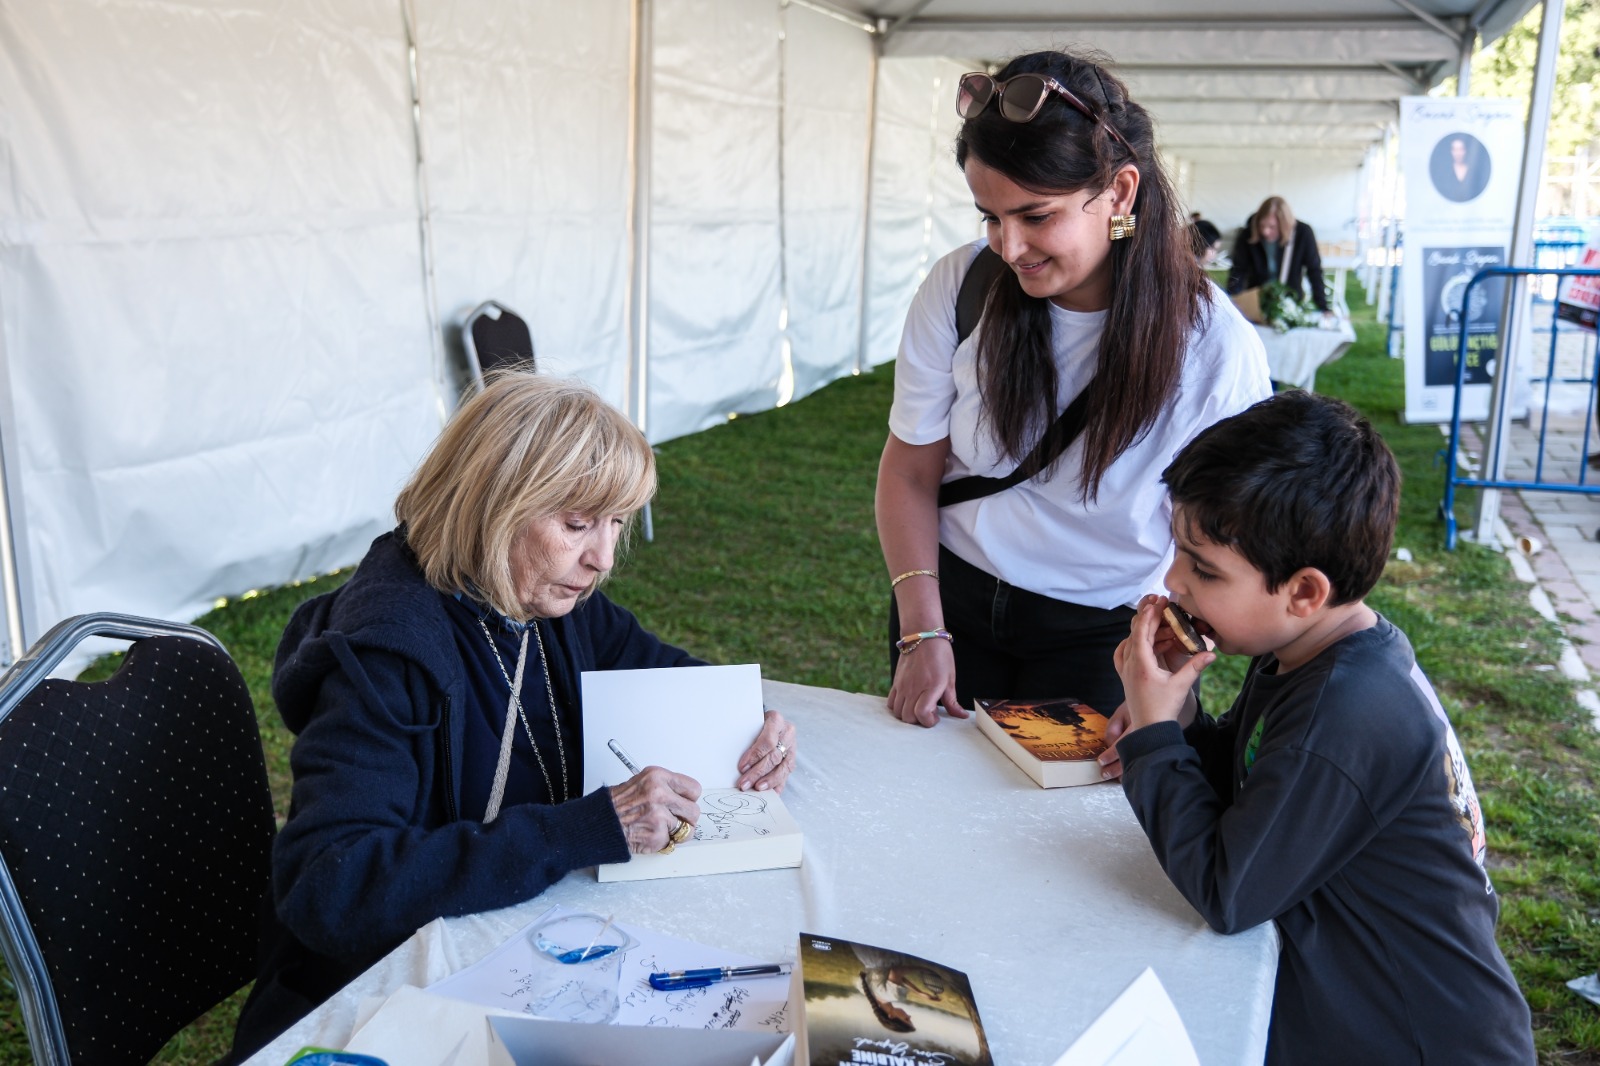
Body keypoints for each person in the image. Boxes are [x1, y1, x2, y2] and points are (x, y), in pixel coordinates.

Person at [229, 372, 797, 1059]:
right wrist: (585, 827)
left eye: (615, 524)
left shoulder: (542, 599)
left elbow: (656, 665)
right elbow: (331, 883)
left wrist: (748, 719)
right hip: (381, 1004)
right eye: (577, 524)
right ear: (492, 505)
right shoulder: (391, 652)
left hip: (517, 955)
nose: (601, 559)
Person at [1104, 391, 1535, 1065]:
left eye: (1205, 569)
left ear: (1305, 591)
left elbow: (1229, 890)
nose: (1173, 580)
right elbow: (1247, 792)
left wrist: (1152, 740)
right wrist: (1178, 713)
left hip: (1417, 1041)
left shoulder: (1344, 711)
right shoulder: (1308, 649)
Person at [874, 49, 1271, 726]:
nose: (1008, 246)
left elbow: (1230, 543)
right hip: (950, 606)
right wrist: (923, 634)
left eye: (1035, 216)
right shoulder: (960, 287)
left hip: (1104, 636)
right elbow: (910, 472)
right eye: (989, 217)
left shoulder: (1213, 347)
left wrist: (1160, 675)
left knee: (1063, 832)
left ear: (1119, 192)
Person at [1225, 195, 1329, 312]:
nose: (1265, 231)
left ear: (1285, 225)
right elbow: (1238, 270)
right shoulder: (1247, 233)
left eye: (1272, 227)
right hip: (1256, 301)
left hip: (1290, 302)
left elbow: (1314, 270)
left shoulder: (1303, 233)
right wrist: (1231, 301)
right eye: (1262, 225)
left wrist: (1323, 307)